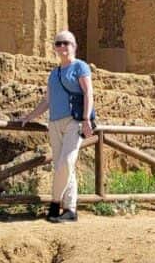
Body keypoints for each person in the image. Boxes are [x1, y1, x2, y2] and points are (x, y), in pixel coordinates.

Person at [14, 29, 94, 223]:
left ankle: (54, 203)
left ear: (74, 46)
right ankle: (71, 209)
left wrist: (86, 119)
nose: (62, 47)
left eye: (66, 43)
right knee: (65, 166)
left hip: (74, 121)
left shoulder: (80, 67)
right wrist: (30, 116)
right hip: (54, 122)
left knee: (65, 162)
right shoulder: (54, 73)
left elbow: (88, 93)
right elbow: (47, 100)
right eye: (58, 43)